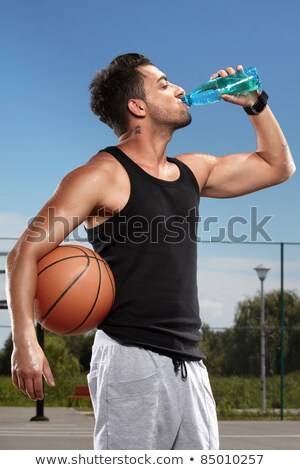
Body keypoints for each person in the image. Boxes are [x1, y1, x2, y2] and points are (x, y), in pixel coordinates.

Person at [6, 53, 295, 450]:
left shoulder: (192, 170)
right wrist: (25, 340)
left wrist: (256, 104)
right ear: (137, 107)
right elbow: (24, 253)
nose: (179, 89)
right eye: (163, 83)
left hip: (190, 363)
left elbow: (278, 166)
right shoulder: (100, 175)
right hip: (130, 359)